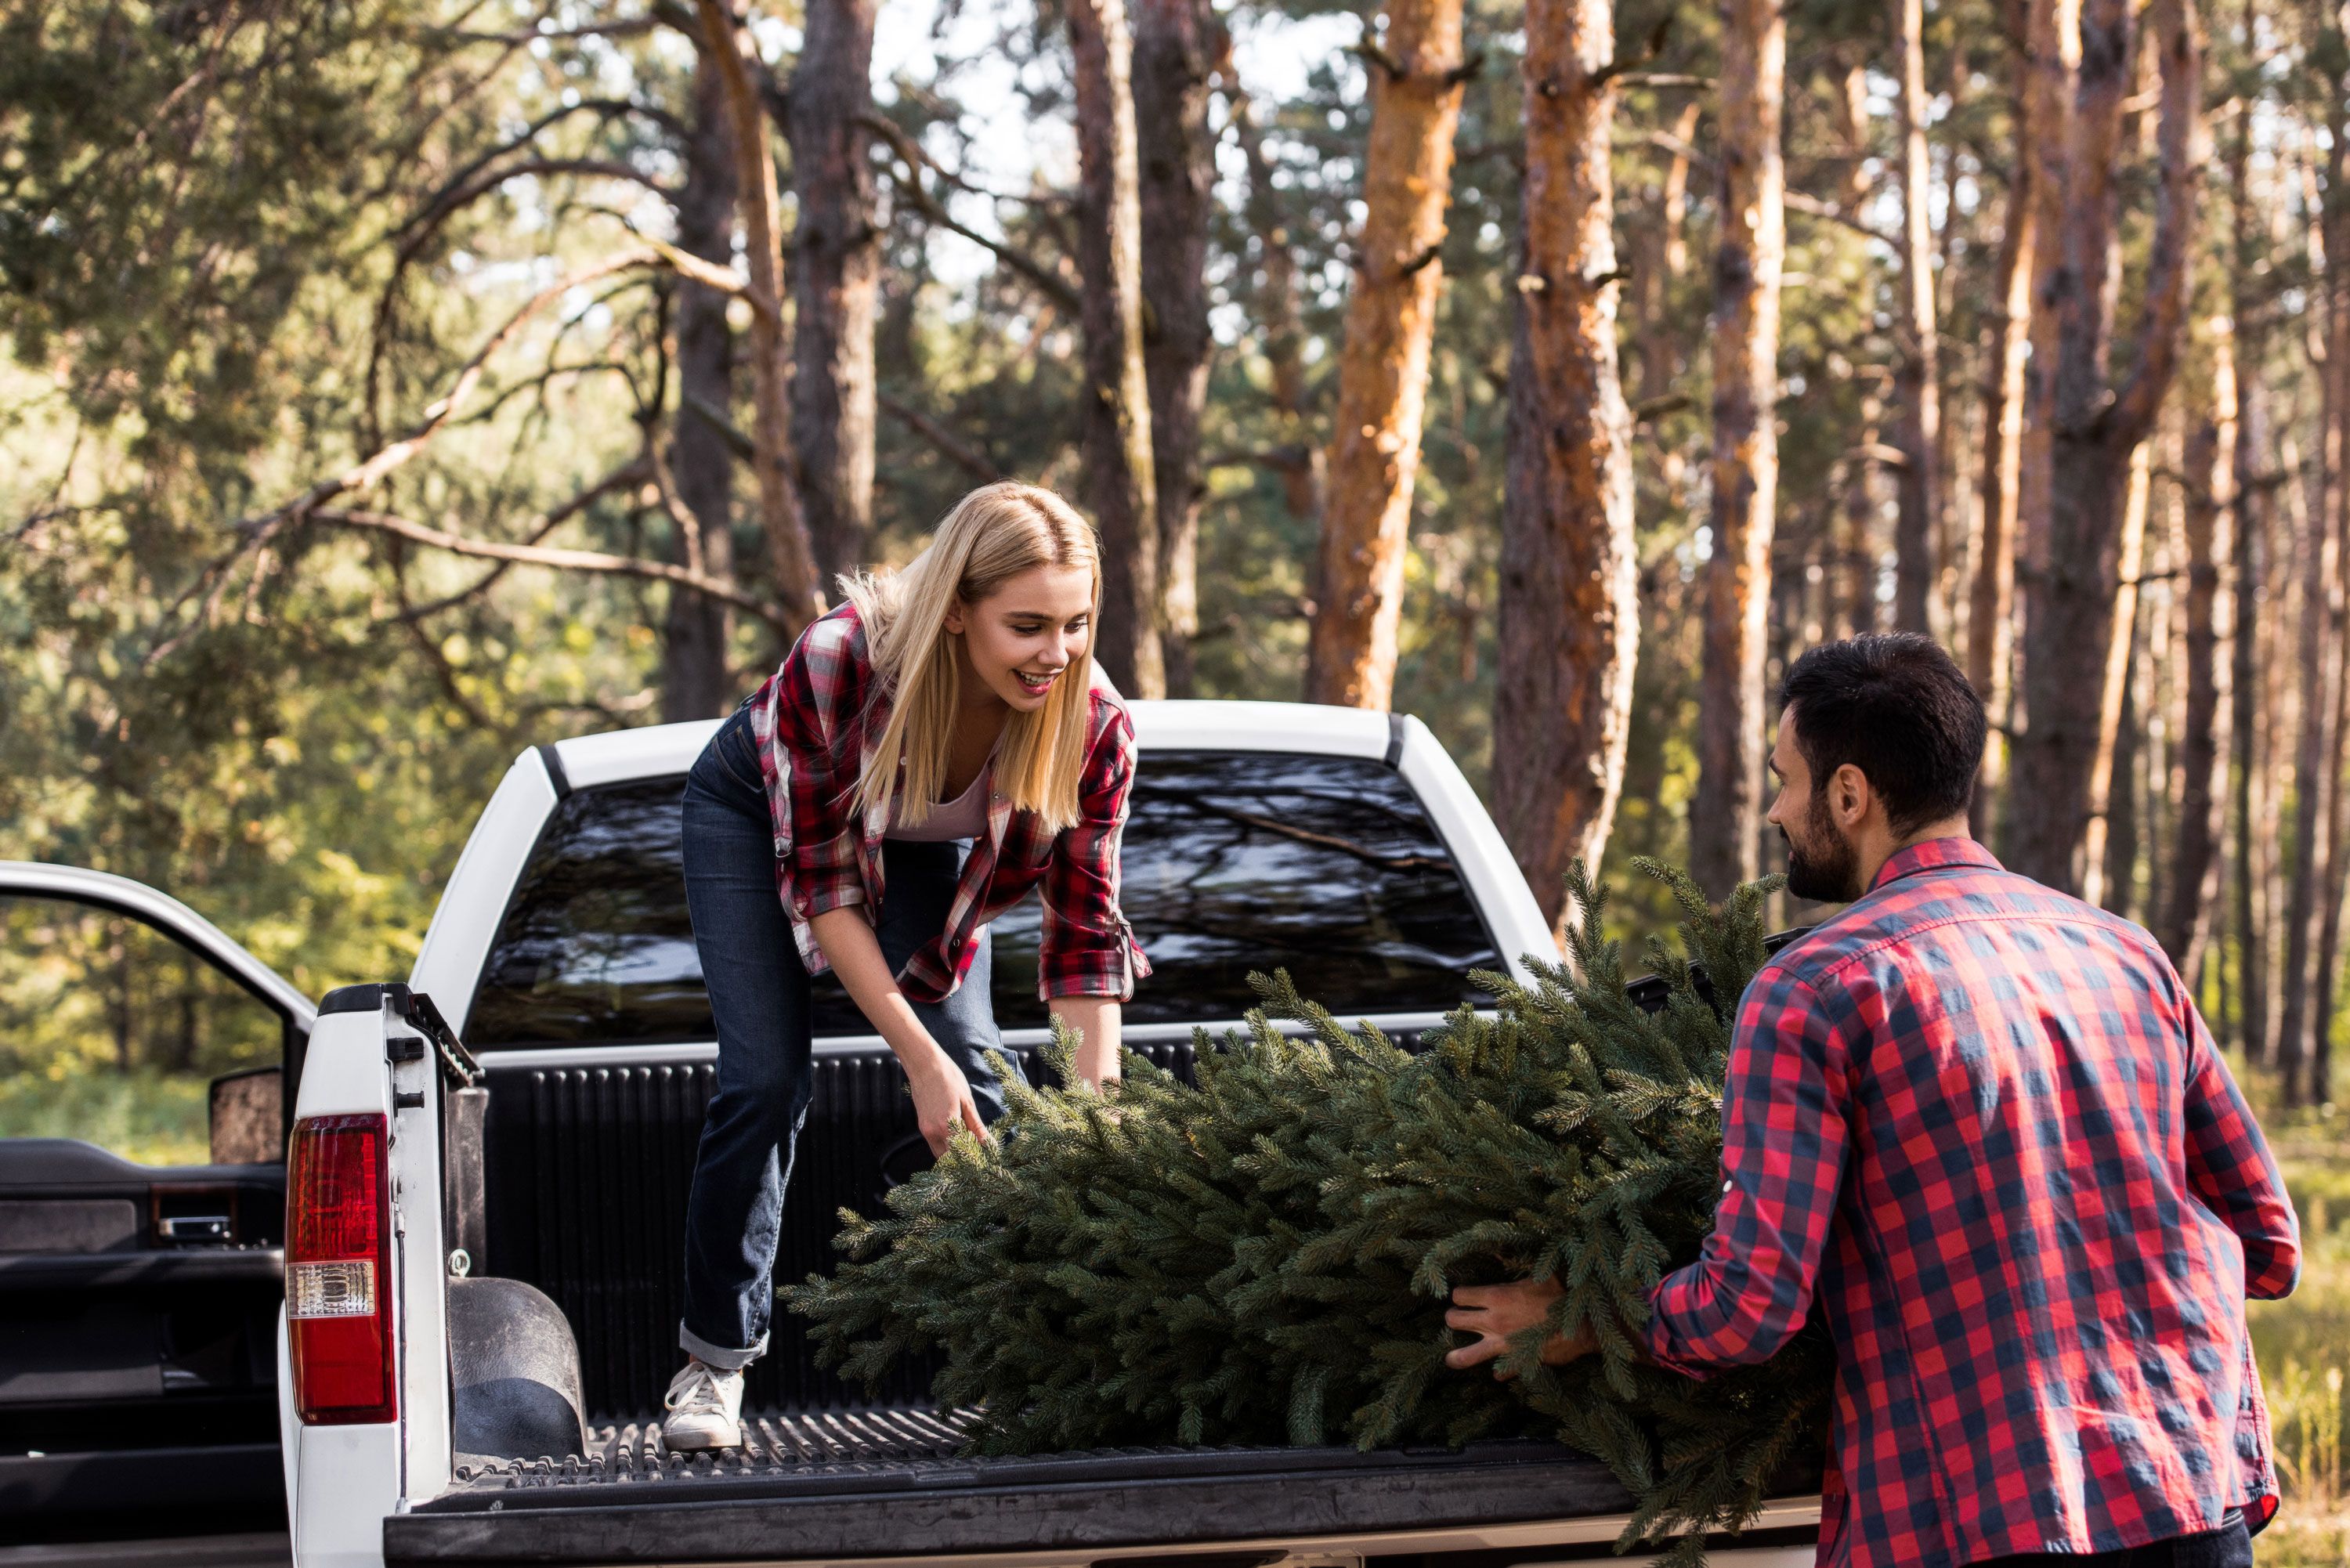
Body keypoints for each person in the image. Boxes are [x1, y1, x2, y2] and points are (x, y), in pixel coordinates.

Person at [1444, 633, 2300, 1568]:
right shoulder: (2127, 953)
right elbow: (2267, 1244)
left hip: (1982, 1519)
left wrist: (1581, 1320)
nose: (1775, 808)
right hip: (2190, 1491)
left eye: (1785, 778)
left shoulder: (1818, 988)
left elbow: (1749, 1305)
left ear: (1849, 795)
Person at [660, 481, 1152, 1451]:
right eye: (1028, 626)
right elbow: (826, 891)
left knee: (979, 1063)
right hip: (753, 818)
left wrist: (1098, 1133)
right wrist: (912, 1059)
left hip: (905, 843)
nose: (1056, 654)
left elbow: (1085, 943)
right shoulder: (841, 661)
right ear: (960, 610)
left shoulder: (1093, 724)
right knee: (765, 1079)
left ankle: (1033, 1350)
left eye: (1077, 624)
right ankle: (711, 1367)